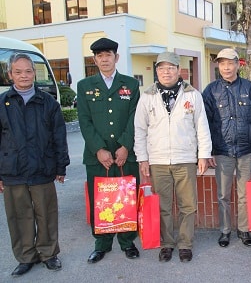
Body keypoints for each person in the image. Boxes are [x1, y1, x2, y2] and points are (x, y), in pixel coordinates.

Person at [134, 51, 212, 263]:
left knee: (188, 205)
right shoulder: (147, 96)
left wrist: (203, 155)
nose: (166, 72)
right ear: (156, 71)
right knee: (164, 206)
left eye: (170, 68)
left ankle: (185, 243)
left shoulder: (192, 95)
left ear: (179, 70)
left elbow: (202, 126)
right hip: (158, 160)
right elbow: (140, 130)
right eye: (161, 68)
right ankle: (167, 243)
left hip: (185, 158)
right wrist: (143, 158)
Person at [0, 53, 70, 277]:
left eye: (28, 71)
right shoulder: (3, 103)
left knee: (46, 214)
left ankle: (48, 254)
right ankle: (26, 256)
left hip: (42, 168)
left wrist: (61, 167)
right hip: (12, 170)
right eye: (18, 72)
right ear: (10, 74)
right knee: (19, 216)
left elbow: (59, 136)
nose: (23, 76)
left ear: (34, 73)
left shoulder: (48, 102)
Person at [77, 37, 140, 264]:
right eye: (100, 56)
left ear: (117, 57)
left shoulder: (130, 85)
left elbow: (135, 118)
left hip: (125, 154)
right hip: (98, 157)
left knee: (126, 197)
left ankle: (127, 241)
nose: (105, 59)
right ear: (94, 59)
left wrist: (125, 146)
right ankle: (101, 244)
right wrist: (99, 150)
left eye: (108, 55)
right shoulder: (84, 86)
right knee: (101, 200)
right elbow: (84, 120)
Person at [202, 48, 251, 248]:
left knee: (244, 194)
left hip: (246, 151)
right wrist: (208, 151)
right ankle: (225, 230)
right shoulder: (211, 90)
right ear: (218, 66)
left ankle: (244, 230)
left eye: (230, 63)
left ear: (238, 64)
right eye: (222, 63)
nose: (226, 67)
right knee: (223, 194)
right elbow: (205, 123)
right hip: (222, 151)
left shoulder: (250, 88)